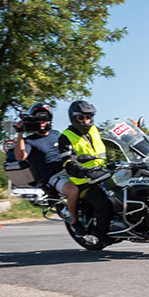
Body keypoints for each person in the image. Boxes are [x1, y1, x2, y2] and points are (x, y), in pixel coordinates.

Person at [12, 103, 80, 225]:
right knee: (73, 191)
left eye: (44, 119)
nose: (42, 122)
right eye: (38, 119)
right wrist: (20, 133)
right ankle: (75, 223)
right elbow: (20, 156)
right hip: (53, 176)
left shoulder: (56, 134)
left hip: (70, 168)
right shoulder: (29, 141)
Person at [58, 101, 113, 243]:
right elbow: (68, 162)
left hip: (104, 174)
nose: (85, 121)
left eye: (88, 117)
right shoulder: (66, 137)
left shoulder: (95, 130)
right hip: (84, 181)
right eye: (81, 118)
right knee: (104, 205)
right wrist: (83, 172)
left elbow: (114, 139)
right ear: (73, 118)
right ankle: (99, 234)